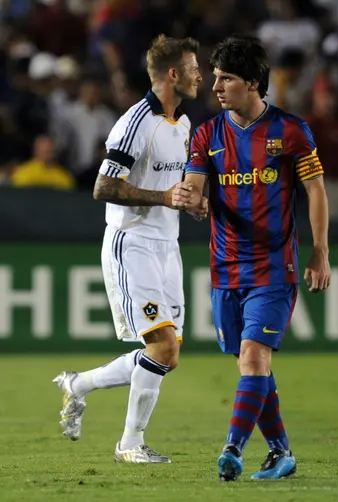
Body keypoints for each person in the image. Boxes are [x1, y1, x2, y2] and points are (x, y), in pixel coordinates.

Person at [177, 36, 331, 481]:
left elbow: (315, 190)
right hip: (225, 270)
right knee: (252, 368)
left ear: (254, 83)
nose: (216, 87)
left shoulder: (290, 131)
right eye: (216, 77)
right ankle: (281, 452)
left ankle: (233, 449)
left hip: (273, 267)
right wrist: (193, 201)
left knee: (253, 357)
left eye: (227, 79)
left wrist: (320, 253)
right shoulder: (207, 134)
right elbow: (195, 189)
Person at [53, 34, 203, 463]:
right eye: (194, 67)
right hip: (131, 243)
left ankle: (78, 384)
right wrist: (162, 199)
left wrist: (191, 203)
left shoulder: (184, 122)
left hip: (166, 246)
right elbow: (103, 186)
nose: (200, 75)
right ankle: (130, 444)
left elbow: (171, 187)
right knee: (162, 348)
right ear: (173, 73)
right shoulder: (135, 121)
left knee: (167, 355)